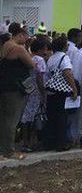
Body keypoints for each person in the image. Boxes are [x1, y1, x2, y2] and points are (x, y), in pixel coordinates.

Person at [0, 24, 34, 159]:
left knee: (4, 118)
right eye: (26, 36)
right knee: (12, 120)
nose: (27, 39)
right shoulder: (18, 48)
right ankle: (8, 150)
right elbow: (31, 64)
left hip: (4, 86)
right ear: (20, 35)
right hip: (15, 88)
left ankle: (3, 149)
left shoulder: (6, 45)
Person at [45, 35, 78, 152]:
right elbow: (67, 73)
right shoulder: (64, 58)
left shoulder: (51, 58)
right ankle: (61, 143)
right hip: (62, 91)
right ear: (64, 46)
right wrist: (74, 89)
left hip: (51, 90)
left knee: (52, 117)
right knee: (61, 117)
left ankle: (51, 142)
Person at [20, 37, 49, 152]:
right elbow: (40, 78)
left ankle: (24, 142)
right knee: (34, 117)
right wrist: (43, 91)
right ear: (41, 49)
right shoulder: (40, 60)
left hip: (27, 89)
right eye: (45, 49)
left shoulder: (28, 57)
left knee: (25, 117)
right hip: (36, 91)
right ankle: (32, 142)